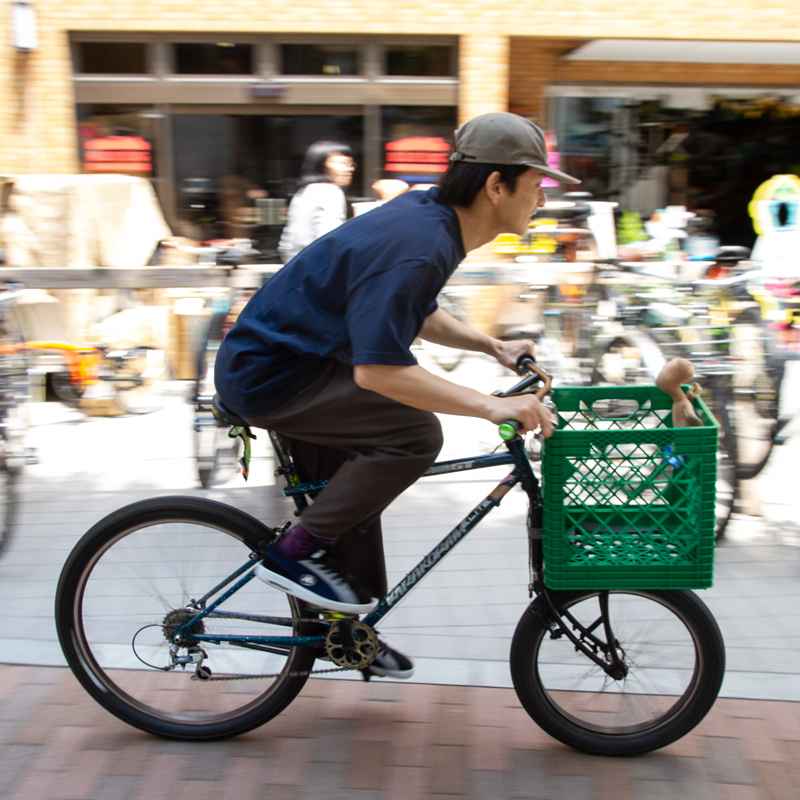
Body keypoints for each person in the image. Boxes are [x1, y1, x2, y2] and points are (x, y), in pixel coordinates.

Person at [215, 112, 580, 678]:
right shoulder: (422, 241)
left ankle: (344, 634)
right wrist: (490, 405)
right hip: (275, 377)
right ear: (495, 186)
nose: (541, 200)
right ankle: (287, 557)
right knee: (412, 434)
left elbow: (415, 310)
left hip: (298, 365)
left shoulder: (429, 219)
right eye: (535, 186)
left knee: (355, 495)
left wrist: (491, 346)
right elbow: (379, 371)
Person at [277, 140, 355, 262]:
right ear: (321, 164)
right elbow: (331, 241)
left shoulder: (303, 192)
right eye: (342, 163)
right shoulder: (330, 192)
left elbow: (286, 244)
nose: (349, 169)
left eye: (350, 164)